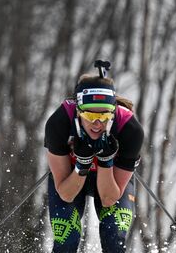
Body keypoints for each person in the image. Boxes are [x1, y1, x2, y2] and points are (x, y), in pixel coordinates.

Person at [44, 61, 144, 252]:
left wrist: (106, 161)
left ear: (113, 112)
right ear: (78, 111)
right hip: (71, 178)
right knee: (66, 237)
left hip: (111, 180)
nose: (97, 123)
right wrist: (82, 164)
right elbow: (66, 193)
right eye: (90, 116)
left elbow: (108, 199)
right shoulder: (60, 123)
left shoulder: (129, 129)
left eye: (105, 116)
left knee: (115, 234)